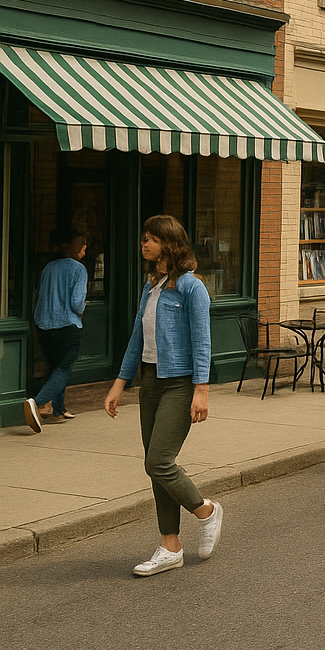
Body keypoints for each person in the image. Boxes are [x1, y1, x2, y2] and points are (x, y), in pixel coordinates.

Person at [103, 216, 224, 577]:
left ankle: (206, 511)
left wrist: (201, 390)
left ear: (169, 244)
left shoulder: (191, 287)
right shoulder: (152, 286)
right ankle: (170, 546)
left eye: (151, 239)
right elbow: (136, 340)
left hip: (180, 383)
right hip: (151, 383)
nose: (144, 244)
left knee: (158, 461)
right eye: (144, 238)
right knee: (156, 469)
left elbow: (203, 341)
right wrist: (119, 384)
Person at [24, 231, 89, 432]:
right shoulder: (79, 270)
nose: (85, 251)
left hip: (44, 325)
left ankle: (59, 410)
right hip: (67, 326)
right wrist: (84, 306)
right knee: (63, 369)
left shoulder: (49, 267)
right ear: (77, 248)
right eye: (84, 247)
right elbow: (77, 304)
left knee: (53, 366)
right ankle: (37, 402)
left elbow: (38, 295)